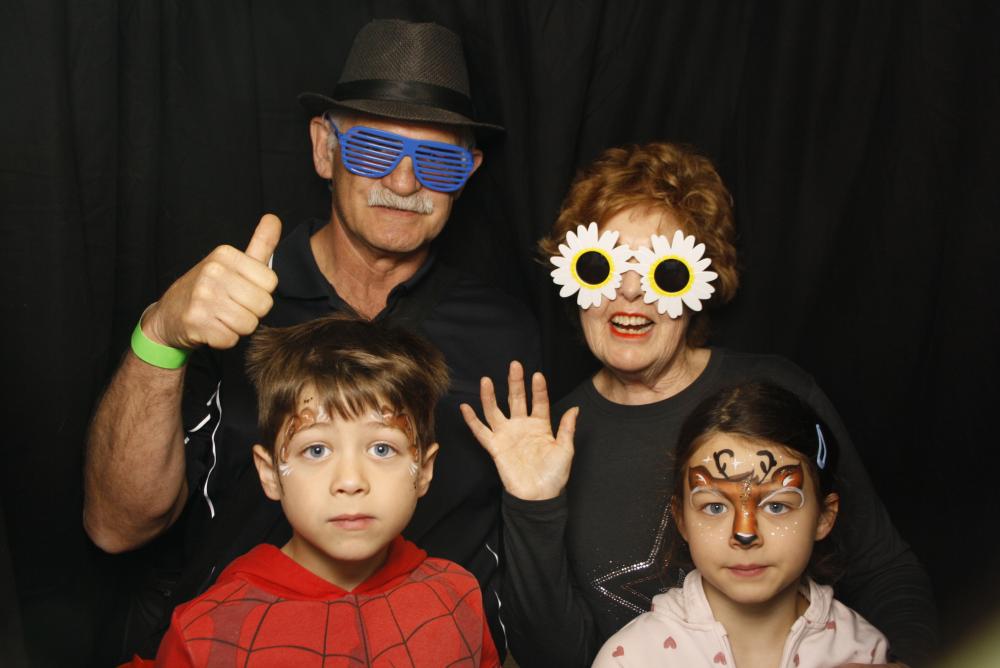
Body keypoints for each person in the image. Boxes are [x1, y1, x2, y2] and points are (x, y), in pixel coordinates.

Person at [83, 19, 538, 659]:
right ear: (325, 149)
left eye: (438, 160)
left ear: (468, 173)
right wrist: (160, 334)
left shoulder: (503, 332)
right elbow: (117, 529)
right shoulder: (230, 305)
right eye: (374, 150)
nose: (404, 183)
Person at [461, 142, 937, 667]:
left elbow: (883, 569)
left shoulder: (776, 393)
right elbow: (556, 659)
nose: (631, 292)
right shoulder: (545, 443)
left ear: (701, 283)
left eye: (663, 271)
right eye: (602, 266)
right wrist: (533, 505)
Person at [145, 315, 499, 667]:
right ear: (270, 473)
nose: (350, 481)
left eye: (382, 449)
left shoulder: (458, 596)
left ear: (423, 470)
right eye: (316, 450)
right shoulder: (205, 631)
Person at [591, 381, 888, 667]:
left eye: (776, 506)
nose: (744, 534)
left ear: (824, 517)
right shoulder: (630, 660)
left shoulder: (865, 653)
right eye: (715, 507)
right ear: (681, 519)